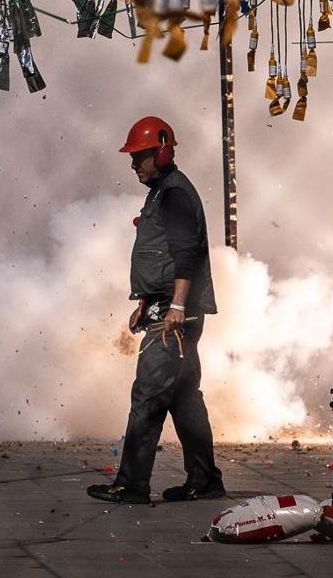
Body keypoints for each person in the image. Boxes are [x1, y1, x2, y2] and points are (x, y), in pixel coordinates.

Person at [87, 116, 226, 505]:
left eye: (141, 156)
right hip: (166, 309)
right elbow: (161, 256)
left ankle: (132, 484)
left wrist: (176, 306)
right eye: (132, 158)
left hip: (174, 317)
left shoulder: (175, 194)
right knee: (184, 399)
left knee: (147, 397)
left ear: (164, 151)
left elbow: (186, 254)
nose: (134, 165)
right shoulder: (162, 192)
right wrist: (145, 304)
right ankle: (205, 480)